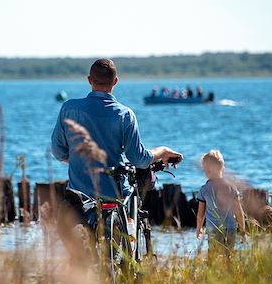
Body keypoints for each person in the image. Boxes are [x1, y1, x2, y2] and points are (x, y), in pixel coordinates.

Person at [51, 58, 182, 218]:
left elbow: (58, 152)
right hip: (114, 197)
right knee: (128, 223)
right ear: (115, 81)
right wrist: (162, 151)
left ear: (89, 80)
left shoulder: (69, 108)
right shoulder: (125, 115)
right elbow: (138, 159)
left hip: (79, 198)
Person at [195, 150, 246, 258]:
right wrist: (243, 232)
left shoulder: (204, 189)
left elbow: (200, 214)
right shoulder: (232, 187)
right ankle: (228, 273)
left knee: (214, 257)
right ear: (222, 168)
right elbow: (239, 212)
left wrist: (199, 229)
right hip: (231, 228)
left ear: (206, 170)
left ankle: (215, 274)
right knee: (228, 256)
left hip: (213, 229)